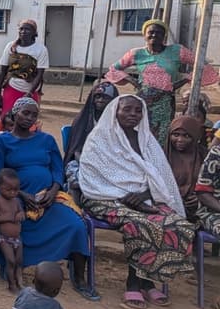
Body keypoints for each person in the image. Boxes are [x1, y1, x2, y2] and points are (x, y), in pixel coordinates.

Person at [79, 95, 198, 309]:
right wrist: (125, 195)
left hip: (143, 197)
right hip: (104, 197)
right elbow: (93, 174)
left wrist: (143, 195)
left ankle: (148, 279)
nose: (133, 114)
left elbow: (158, 174)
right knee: (141, 223)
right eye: (127, 110)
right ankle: (133, 282)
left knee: (178, 223)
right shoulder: (98, 138)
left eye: (137, 110)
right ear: (115, 111)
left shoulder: (145, 139)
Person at [0, 98, 93, 297]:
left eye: (33, 114)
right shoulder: (2, 141)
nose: (29, 118)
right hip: (14, 197)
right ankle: (13, 265)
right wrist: (20, 194)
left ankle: (79, 276)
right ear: (14, 114)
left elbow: (58, 169)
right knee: (13, 221)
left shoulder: (46, 140)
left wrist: (53, 191)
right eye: (25, 113)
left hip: (48, 198)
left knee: (76, 224)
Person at [105, 19, 218, 147]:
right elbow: (114, 68)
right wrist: (132, 81)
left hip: (165, 102)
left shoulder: (177, 51)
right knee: (140, 133)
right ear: (144, 35)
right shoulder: (136, 53)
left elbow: (202, 65)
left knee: (161, 137)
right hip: (143, 101)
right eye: (151, 32)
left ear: (164, 36)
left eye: (159, 33)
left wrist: (185, 80)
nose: (154, 35)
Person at [63, 82, 119, 198]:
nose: (100, 100)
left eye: (105, 97)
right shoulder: (82, 121)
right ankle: (77, 210)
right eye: (97, 97)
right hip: (83, 161)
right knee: (76, 180)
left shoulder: (118, 123)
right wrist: (90, 163)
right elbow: (76, 150)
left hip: (112, 163)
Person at [0, 20, 48, 114]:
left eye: (27, 29)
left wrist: (29, 94)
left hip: (29, 92)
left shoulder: (41, 49)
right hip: (11, 88)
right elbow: (2, 71)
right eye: (21, 29)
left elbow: (39, 75)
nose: (23, 31)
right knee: (7, 119)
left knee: (27, 121)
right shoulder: (11, 46)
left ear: (34, 33)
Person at [0, 168, 25, 293]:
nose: (13, 193)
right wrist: (6, 218)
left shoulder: (16, 201)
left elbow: (21, 212)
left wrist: (20, 214)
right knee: (11, 261)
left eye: (16, 190)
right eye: (9, 190)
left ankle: (20, 282)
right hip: (4, 239)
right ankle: (12, 285)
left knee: (19, 261)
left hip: (17, 238)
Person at [165, 115, 207, 219]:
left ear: (195, 137)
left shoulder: (205, 156)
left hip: (201, 210)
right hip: (167, 208)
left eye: (186, 136)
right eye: (175, 134)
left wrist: (202, 198)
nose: (180, 139)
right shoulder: (160, 156)